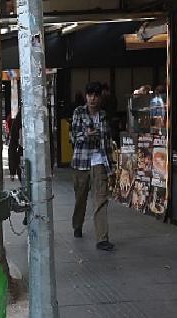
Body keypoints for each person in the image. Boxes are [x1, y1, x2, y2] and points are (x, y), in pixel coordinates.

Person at [71, 82, 114, 252]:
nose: (93, 99)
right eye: (90, 95)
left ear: (100, 97)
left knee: (101, 199)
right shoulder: (78, 113)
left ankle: (102, 239)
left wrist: (111, 168)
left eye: (96, 95)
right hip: (81, 161)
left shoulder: (103, 115)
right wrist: (85, 135)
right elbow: (73, 137)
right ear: (86, 97)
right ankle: (77, 224)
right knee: (80, 197)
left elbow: (108, 142)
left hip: (99, 161)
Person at [8, 109, 22, 183]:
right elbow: (12, 146)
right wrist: (12, 170)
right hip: (22, 159)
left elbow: (12, 146)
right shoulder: (19, 120)